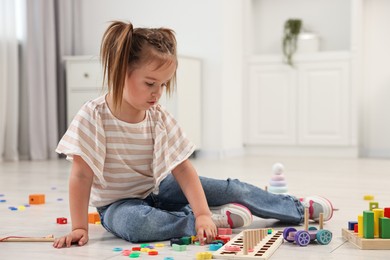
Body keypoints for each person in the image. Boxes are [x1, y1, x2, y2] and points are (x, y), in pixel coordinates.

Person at [53, 21, 334, 248]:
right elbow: (80, 176)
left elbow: (183, 169)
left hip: (158, 188)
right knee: (135, 225)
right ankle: (215, 220)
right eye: (150, 83)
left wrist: (200, 210)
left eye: (163, 85)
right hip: (117, 205)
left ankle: (295, 208)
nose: (157, 93)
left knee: (230, 188)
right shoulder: (94, 116)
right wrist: (78, 226)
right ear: (120, 71)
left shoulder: (158, 117)